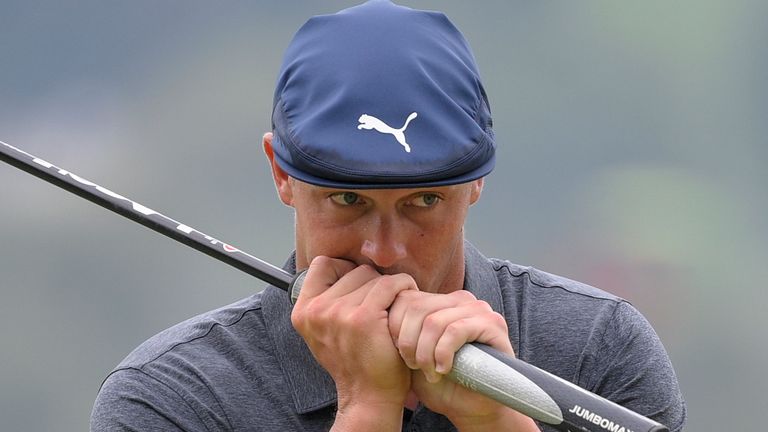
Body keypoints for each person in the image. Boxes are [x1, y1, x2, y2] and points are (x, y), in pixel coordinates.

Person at [90, 1, 687, 431]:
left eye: (422, 201)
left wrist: (493, 422)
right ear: (281, 174)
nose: (384, 250)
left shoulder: (598, 350)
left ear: (476, 179)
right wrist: (365, 408)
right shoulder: (171, 398)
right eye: (347, 200)